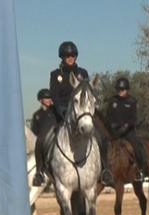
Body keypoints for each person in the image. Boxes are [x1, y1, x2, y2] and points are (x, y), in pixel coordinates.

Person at [34, 41, 113, 186]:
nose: (70, 58)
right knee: (41, 139)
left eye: (72, 55)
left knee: (102, 136)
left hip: (81, 113)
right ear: (62, 57)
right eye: (67, 55)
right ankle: (39, 173)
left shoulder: (83, 73)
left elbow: (88, 93)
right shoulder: (55, 75)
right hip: (60, 114)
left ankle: (105, 170)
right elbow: (55, 95)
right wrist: (60, 109)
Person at [105, 77, 148, 181]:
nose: (120, 91)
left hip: (128, 131)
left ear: (127, 90)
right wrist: (113, 125)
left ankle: (140, 170)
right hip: (115, 131)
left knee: (137, 148)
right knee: (103, 147)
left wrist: (126, 127)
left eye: (123, 89)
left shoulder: (132, 101)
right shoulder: (112, 101)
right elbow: (108, 117)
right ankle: (104, 171)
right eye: (119, 89)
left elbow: (134, 118)